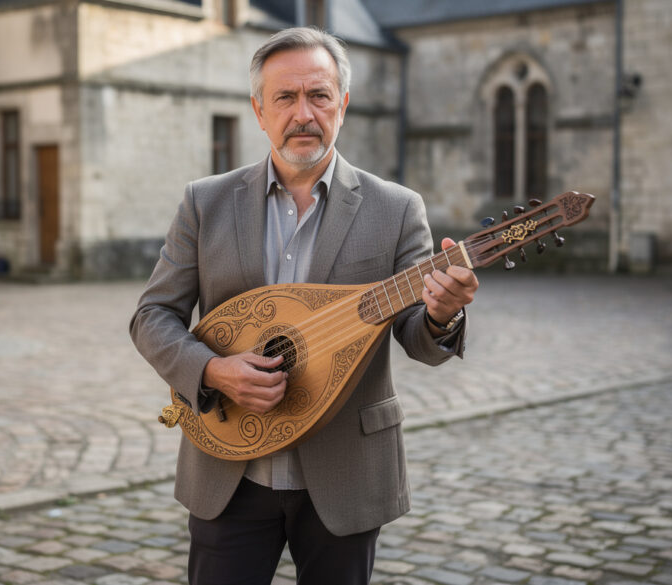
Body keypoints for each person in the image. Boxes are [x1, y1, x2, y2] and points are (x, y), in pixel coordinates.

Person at [129, 26, 479, 585]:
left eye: (319, 95)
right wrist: (213, 370)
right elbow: (152, 317)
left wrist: (442, 313)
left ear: (343, 103)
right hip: (229, 468)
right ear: (259, 110)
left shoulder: (395, 209)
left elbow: (418, 337)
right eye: (285, 97)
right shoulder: (206, 202)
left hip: (346, 475)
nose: (303, 114)